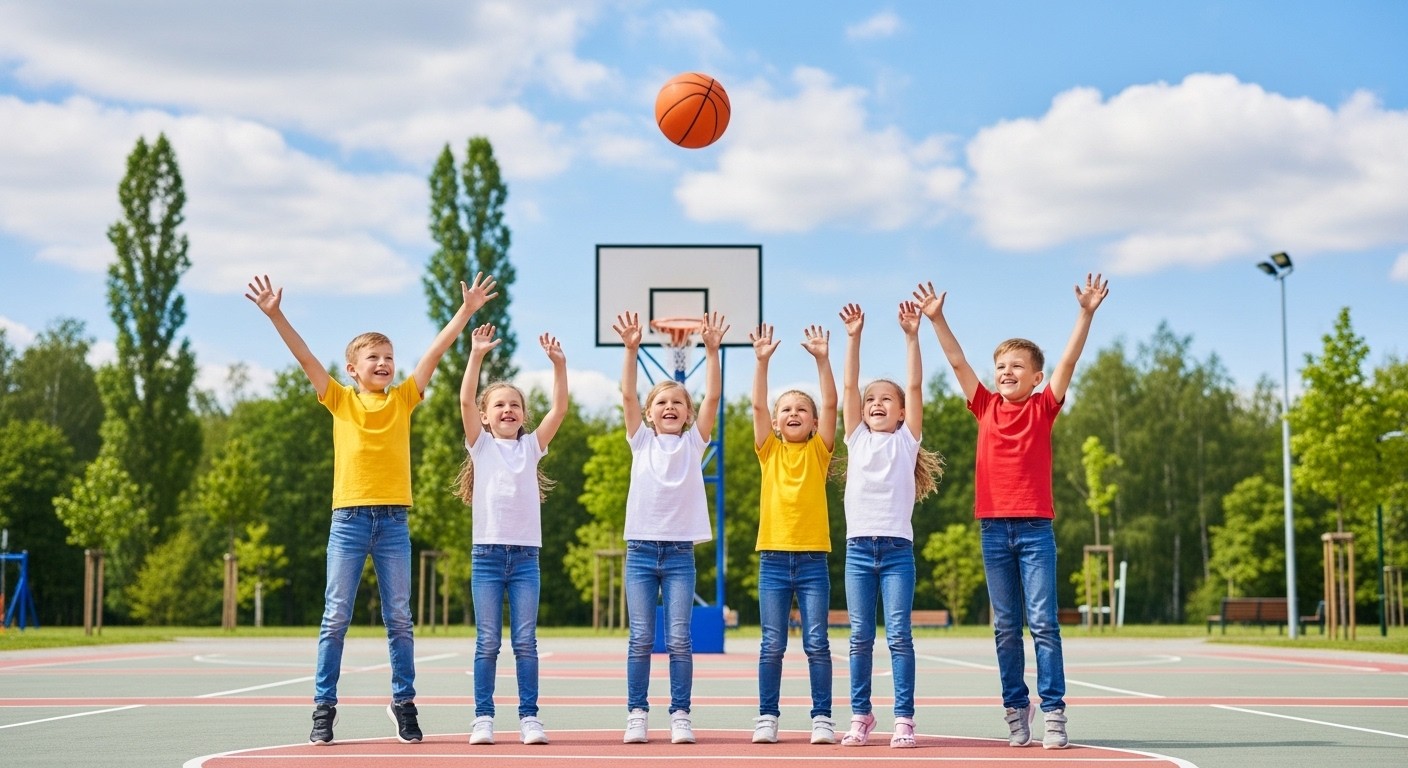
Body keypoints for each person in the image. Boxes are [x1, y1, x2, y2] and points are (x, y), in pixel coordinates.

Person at [244, 271, 498, 746]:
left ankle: (404, 702)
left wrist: (465, 311)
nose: (383, 363)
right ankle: (324, 707)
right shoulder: (339, 400)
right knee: (335, 616)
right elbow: (305, 356)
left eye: (388, 357)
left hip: (394, 521)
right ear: (352, 369)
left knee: (399, 618)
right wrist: (276, 315)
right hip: (349, 521)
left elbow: (434, 353)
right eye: (373, 358)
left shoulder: (403, 399)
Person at [914, 273, 1109, 750]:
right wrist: (937, 319)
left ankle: (1055, 712)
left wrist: (1085, 313)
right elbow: (957, 360)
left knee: (1043, 623)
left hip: (1036, 530)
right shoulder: (983, 406)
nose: (1006, 372)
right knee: (1005, 627)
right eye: (1001, 365)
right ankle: (1015, 709)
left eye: (1017, 366)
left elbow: (1069, 359)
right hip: (993, 530)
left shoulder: (1044, 407)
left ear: (1036, 377)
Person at [612, 311, 728, 745]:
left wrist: (712, 353)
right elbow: (627, 394)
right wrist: (631, 351)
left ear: (689, 413)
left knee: (679, 639)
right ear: (648, 413)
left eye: (678, 402)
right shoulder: (640, 440)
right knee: (641, 637)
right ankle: (637, 713)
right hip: (641, 552)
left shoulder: (694, 443)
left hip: (680, 554)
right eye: (661, 402)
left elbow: (713, 398)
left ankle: (680, 713)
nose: (670, 407)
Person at [837, 301, 943, 748]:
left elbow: (915, 384)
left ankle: (904, 719)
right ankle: (861, 715)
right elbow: (848, 384)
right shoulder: (856, 437)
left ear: (902, 412)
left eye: (886, 399)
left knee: (899, 635)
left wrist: (912, 336)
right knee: (860, 637)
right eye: (871, 400)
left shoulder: (906, 440)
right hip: (859, 551)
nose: (876, 403)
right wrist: (854, 337)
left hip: (897, 552)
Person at [457, 322, 568, 747]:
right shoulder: (481, 445)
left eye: (515, 405)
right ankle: (483, 718)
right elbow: (465, 398)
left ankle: (529, 717)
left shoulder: (531, 447)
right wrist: (476, 354)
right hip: (486, 556)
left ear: (523, 415)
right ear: (485, 416)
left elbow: (559, 410)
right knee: (487, 642)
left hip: (525, 559)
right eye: (499, 405)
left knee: (525, 642)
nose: (508, 410)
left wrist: (558, 365)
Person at [748, 322, 838, 745]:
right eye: (786, 409)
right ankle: (767, 716)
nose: (793, 413)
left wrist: (823, 360)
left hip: (813, 560)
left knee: (817, 643)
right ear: (776, 422)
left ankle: (822, 717)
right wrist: (761, 362)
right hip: (773, 559)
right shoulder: (769, 451)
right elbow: (757, 406)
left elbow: (833, 403)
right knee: (772, 644)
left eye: (802, 409)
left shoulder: (819, 452)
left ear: (815, 422)